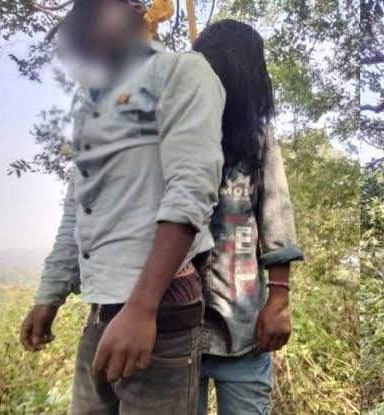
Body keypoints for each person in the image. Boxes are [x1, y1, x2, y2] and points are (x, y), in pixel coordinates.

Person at [18, 0, 225, 413]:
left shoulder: (181, 71)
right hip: (102, 310)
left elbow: (191, 190)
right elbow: (79, 208)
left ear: (133, 11)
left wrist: (142, 308)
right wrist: (49, 295)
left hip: (160, 312)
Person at [192, 20, 304, 414]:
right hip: (175, 331)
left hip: (243, 330)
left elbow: (277, 218)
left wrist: (279, 301)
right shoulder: (177, 130)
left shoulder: (259, 138)